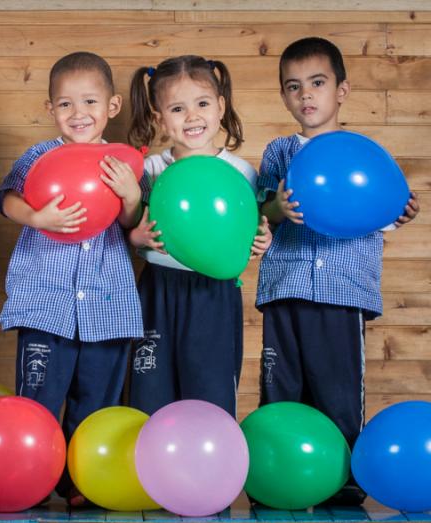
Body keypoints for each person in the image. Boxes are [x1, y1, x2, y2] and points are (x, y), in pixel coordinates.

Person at [256, 36, 420, 505]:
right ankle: (277, 476)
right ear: (284, 96)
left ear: (341, 90)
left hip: (343, 292)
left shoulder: (364, 154)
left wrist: (401, 212)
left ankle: (343, 482)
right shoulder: (279, 153)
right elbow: (259, 211)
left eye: (317, 83)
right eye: (293, 87)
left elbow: (381, 209)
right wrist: (277, 207)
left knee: (338, 391)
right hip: (285, 286)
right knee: (282, 389)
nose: (306, 95)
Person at [0, 51, 143, 507]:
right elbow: (6, 199)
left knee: (95, 400)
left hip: (107, 303)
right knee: (38, 397)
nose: (78, 114)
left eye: (90, 102)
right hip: (45, 302)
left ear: (112, 106)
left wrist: (131, 196)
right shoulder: (39, 156)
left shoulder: (124, 164)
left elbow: (132, 228)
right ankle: (31, 476)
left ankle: (82, 481)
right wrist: (36, 217)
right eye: (65, 104)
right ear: (49, 109)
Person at [125, 55, 271, 418]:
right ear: (159, 118)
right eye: (177, 108)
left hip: (214, 295)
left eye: (202, 103)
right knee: (150, 387)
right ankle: (153, 470)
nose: (192, 117)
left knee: (211, 387)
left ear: (220, 107)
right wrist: (135, 238)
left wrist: (262, 241)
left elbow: (252, 229)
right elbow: (126, 227)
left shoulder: (240, 173)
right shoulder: (150, 170)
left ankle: (211, 470)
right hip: (158, 289)